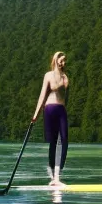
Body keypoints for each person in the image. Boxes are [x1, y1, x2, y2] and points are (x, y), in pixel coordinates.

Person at [32, 51, 69, 186]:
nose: (63, 63)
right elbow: (42, 95)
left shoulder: (66, 78)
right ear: (55, 60)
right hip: (49, 109)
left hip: (61, 110)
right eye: (61, 60)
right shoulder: (48, 75)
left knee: (64, 140)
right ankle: (54, 177)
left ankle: (57, 176)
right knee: (53, 142)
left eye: (65, 61)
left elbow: (67, 98)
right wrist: (36, 114)